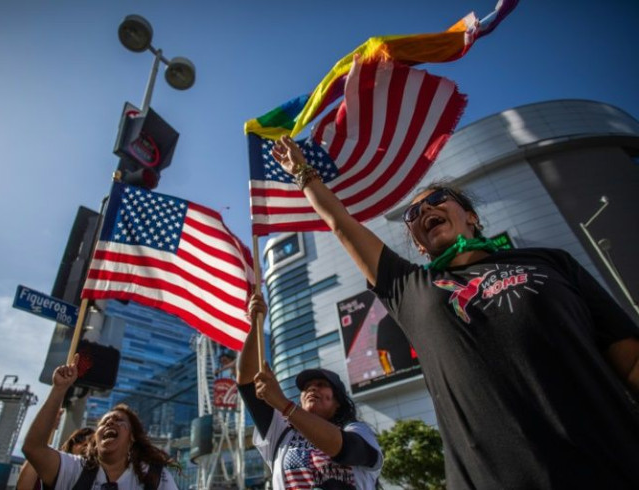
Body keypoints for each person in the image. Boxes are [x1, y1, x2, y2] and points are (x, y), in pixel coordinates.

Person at [270, 136, 639, 489]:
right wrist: (304, 173)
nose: (425, 210)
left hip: (614, 467)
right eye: (413, 213)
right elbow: (342, 224)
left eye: (438, 200)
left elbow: (630, 361)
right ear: (417, 243)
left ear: (472, 217)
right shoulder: (409, 288)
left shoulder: (551, 262)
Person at [238, 293, 383, 489]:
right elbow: (247, 382)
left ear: (337, 401)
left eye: (322, 385)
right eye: (306, 387)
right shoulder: (281, 433)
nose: (312, 388)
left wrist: (284, 404)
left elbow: (345, 449)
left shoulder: (357, 431)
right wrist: (256, 324)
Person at [22, 354, 179, 490]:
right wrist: (59, 389)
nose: (110, 423)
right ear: (95, 439)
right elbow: (33, 448)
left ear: (131, 437)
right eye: (104, 423)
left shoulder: (155, 477)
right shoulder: (74, 469)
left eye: (119, 420)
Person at [17, 422, 95, 490]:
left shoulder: (99, 478)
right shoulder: (49, 467)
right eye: (80, 438)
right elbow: (24, 487)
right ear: (71, 444)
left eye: (92, 442)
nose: (85, 443)